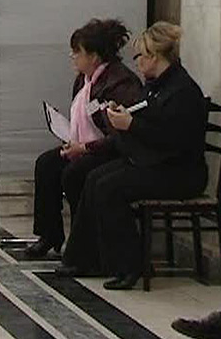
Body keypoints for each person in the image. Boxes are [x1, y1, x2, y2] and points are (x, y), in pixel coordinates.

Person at [60, 22, 208, 290]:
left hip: (180, 171)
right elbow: (148, 117)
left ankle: (128, 265)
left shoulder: (182, 91)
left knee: (109, 188)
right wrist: (124, 116)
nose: (137, 62)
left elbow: (173, 139)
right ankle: (84, 257)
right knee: (94, 178)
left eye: (140, 56)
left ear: (155, 56)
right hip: (155, 162)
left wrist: (131, 125)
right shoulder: (156, 86)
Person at [26, 19, 142, 258]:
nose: (72, 57)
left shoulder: (120, 82)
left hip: (110, 150)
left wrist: (85, 147)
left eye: (77, 52)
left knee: (74, 173)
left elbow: (119, 135)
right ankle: (49, 234)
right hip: (85, 145)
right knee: (46, 164)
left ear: (94, 56)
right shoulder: (84, 80)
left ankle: (85, 243)